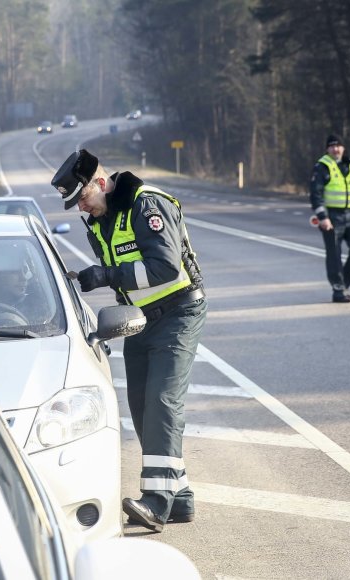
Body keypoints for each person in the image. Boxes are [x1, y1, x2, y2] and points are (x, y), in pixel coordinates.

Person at [50, 149, 206, 533]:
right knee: (140, 408)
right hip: (139, 320)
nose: (82, 208)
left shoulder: (145, 205)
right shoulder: (101, 218)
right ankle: (180, 496)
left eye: (83, 198)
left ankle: (155, 502)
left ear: (100, 183)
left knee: (161, 402)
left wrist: (104, 276)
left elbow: (165, 267)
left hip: (178, 313)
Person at [309, 134, 350, 303]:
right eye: (332, 146)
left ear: (343, 148)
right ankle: (338, 290)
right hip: (332, 217)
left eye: (338, 145)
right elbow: (316, 194)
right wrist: (322, 216)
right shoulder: (322, 167)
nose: (336, 149)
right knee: (334, 254)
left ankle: (343, 285)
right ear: (327, 149)